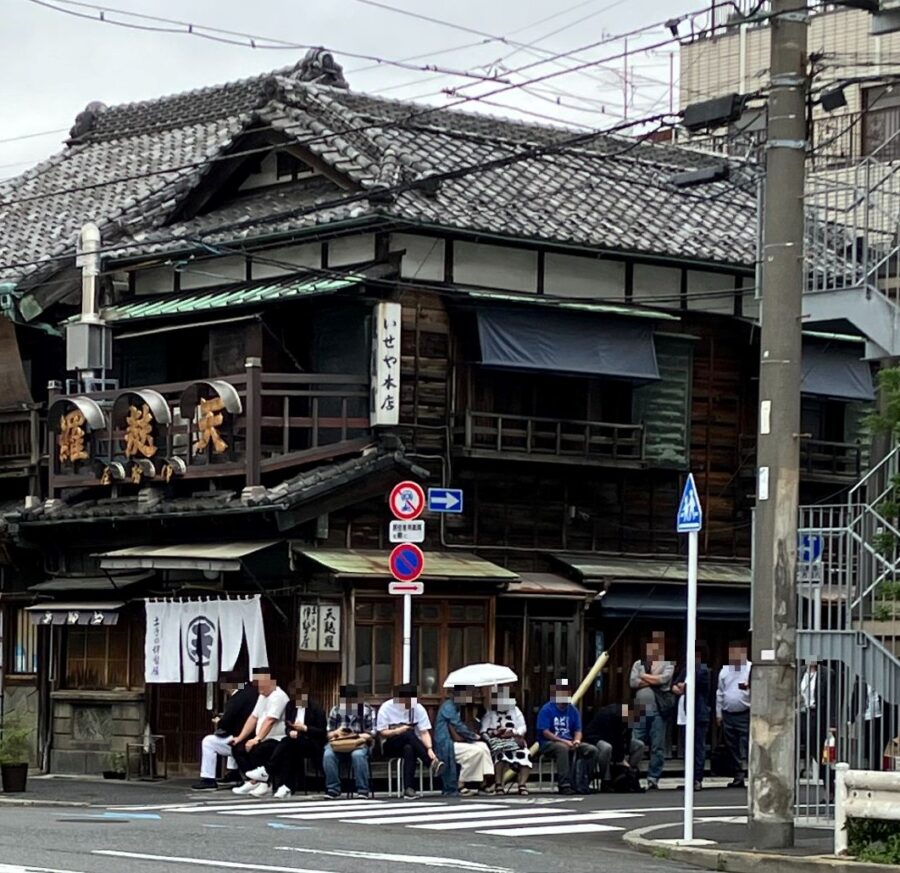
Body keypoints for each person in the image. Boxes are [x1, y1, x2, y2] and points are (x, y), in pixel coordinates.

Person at [536, 680, 605, 795]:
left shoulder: (573, 710)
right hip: (549, 743)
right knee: (562, 748)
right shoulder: (546, 709)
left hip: (570, 741)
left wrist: (577, 741)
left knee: (591, 750)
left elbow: (578, 730)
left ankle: (583, 782)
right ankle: (564, 784)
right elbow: (545, 732)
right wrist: (564, 741)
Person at [377, 682, 444, 799]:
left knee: (409, 748)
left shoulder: (418, 708)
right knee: (408, 733)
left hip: (412, 744)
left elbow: (424, 732)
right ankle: (430, 763)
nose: (409, 704)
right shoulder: (386, 708)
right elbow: (382, 732)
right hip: (390, 744)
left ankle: (409, 789)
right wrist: (399, 730)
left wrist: (429, 749)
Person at [230, 670, 290, 797]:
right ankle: (253, 781)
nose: (259, 689)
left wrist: (256, 739)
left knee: (257, 749)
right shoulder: (263, 695)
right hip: (263, 736)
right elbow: (253, 717)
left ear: (270, 682)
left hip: (276, 738)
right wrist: (240, 737)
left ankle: (264, 783)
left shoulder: (279, 696)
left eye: (261, 685)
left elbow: (270, 720)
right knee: (238, 747)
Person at [193, 675, 258, 790]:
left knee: (208, 741)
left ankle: (208, 779)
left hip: (244, 739)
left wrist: (219, 722)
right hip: (255, 735)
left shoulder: (236, 699)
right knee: (233, 736)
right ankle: (234, 772)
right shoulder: (253, 693)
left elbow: (227, 722)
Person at [263, 681, 327, 799]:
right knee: (288, 749)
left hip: (311, 741)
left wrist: (305, 728)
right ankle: (285, 786)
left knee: (286, 744)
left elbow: (322, 732)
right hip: (295, 740)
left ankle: (268, 770)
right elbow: (287, 726)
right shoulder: (290, 706)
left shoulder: (315, 707)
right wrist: (290, 731)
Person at [630, 632, 675, 790]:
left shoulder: (668, 664)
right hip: (639, 709)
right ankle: (631, 770)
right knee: (635, 741)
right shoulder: (639, 663)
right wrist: (652, 679)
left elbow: (663, 680)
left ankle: (653, 777)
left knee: (658, 745)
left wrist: (644, 677)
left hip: (658, 710)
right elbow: (633, 682)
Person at [434, 685, 494, 796]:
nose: (470, 696)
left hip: (457, 741)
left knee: (483, 747)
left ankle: (484, 782)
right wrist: (472, 736)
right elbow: (457, 726)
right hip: (446, 743)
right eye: (468, 694)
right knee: (476, 752)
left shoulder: (460, 707)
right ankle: (461, 783)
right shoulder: (448, 706)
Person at [323, 683, 374, 799]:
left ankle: (362, 789)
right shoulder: (336, 710)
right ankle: (333, 788)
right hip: (339, 743)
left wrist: (355, 735)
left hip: (359, 743)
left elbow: (372, 733)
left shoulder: (367, 710)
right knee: (328, 754)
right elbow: (328, 733)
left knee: (358, 755)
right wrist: (337, 732)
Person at [673, 642, 711, 791]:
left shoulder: (703, 670)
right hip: (684, 713)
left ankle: (697, 779)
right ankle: (689, 777)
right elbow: (675, 686)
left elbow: (692, 687)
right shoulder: (685, 670)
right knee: (686, 747)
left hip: (698, 714)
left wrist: (684, 687)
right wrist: (681, 687)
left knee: (697, 747)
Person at [480, 686, 532, 795]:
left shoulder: (515, 710)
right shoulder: (490, 712)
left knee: (526, 753)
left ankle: (522, 784)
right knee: (500, 755)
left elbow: (523, 727)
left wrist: (513, 732)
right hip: (498, 742)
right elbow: (483, 731)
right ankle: (499, 784)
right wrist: (494, 733)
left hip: (514, 740)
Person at [584, 702, 645, 792]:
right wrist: (620, 759)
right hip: (596, 736)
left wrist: (626, 755)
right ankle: (606, 781)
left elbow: (627, 737)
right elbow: (613, 739)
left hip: (613, 739)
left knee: (639, 745)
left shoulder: (628, 717)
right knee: (607, 748)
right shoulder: (611, 715)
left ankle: (627, 775)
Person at [716, 640, 751, 789]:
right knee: (732, 746)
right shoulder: (725, 670)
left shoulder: (751, 668)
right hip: (728, 713)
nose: (735, 656)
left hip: (745, 713)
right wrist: (719, 713)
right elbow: (720, 692)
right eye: (732, 653)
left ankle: (750, 772)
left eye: (738, 653)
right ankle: (738, 775)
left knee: (746, 745)